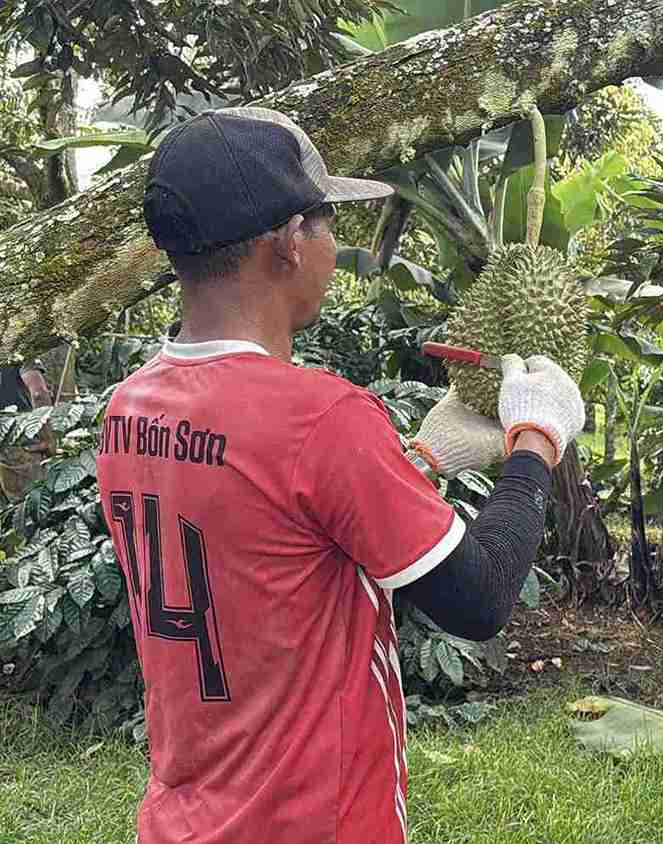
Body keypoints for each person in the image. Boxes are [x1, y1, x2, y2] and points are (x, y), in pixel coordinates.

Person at [95, 106, 585, 844]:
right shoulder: (319, 417)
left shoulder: (131, 409)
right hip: (308, 821)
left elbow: (270, 535)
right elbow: (478, 600)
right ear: (291, 243)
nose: (334, 246)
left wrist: (420, 460)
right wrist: (535, 443)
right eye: (328, 224)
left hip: (187, 816)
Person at [0, 357, 56, 500]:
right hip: (19, 441)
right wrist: (48, 439)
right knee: (30, 506)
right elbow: (38, 393)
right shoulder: (20, 350)